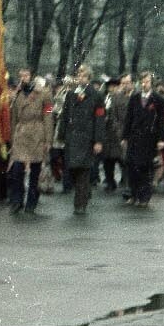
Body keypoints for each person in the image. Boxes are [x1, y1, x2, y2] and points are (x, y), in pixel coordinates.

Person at [59, 67, 106, 215]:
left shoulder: (97, 96)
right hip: (72, 137)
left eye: (84, 75)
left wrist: (98, 140)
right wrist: (61, 135)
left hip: (87, 138)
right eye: (79, 74)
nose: (81, 77)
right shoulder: (71, 94)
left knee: (83, 171)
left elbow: (99, 119)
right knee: (73, 169)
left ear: (89, 78)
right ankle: (83, 194)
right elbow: (65, 115)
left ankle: (80, 204)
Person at [7, 73, 53, 214]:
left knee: (35, 170)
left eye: (26, 75)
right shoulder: (18, 94)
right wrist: (12, 138)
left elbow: (49, 115)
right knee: (17, 170)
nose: (23, 78)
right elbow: (14, 118)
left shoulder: (45, 94)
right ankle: (17, 201)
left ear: (31, 76)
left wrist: (48, 139)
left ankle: (32, 202)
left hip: (37, 134)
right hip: (21, 135)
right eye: (20, 75)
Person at [121, 72, 164, 207]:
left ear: (151, 83)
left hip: (150, 139)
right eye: (142, 81)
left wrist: (161, 139)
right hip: (135, 137)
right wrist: (124, 136)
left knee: (146, 168)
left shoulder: (158, 100)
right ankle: (133, 194)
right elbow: (128, 118)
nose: (144, 84)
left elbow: (161, 121)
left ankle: (144, 197)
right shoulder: (135, 98)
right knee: (132, 167)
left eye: (146, 81)